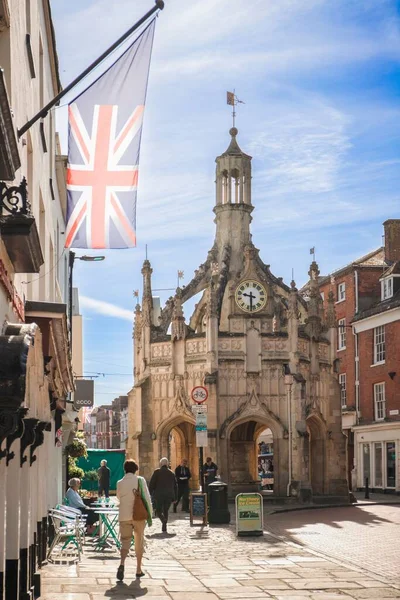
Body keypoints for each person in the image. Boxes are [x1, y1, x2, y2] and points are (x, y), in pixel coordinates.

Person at [116, 459, 152, 582]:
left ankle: (122, 564)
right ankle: (138, 569)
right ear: (135, 469)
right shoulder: (140, 481)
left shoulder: (119, 483)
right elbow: (147, 498)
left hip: (124, 516)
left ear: (124, 469)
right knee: (139, 542)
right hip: (138, 516)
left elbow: (118, 497)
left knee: (125, 541)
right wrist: (150, 514)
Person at [149, 457, 177, 533]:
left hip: (159, 495)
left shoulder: (157, 472)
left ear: (161, 464)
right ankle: (164, 526)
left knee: (158, 511)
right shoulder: (171, 473)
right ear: (167, 464)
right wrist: (175, 498)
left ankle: (163, 520)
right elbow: (175, 486)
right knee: (165, 510)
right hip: (169, 495)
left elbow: (152, 484)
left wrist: (150, 493)